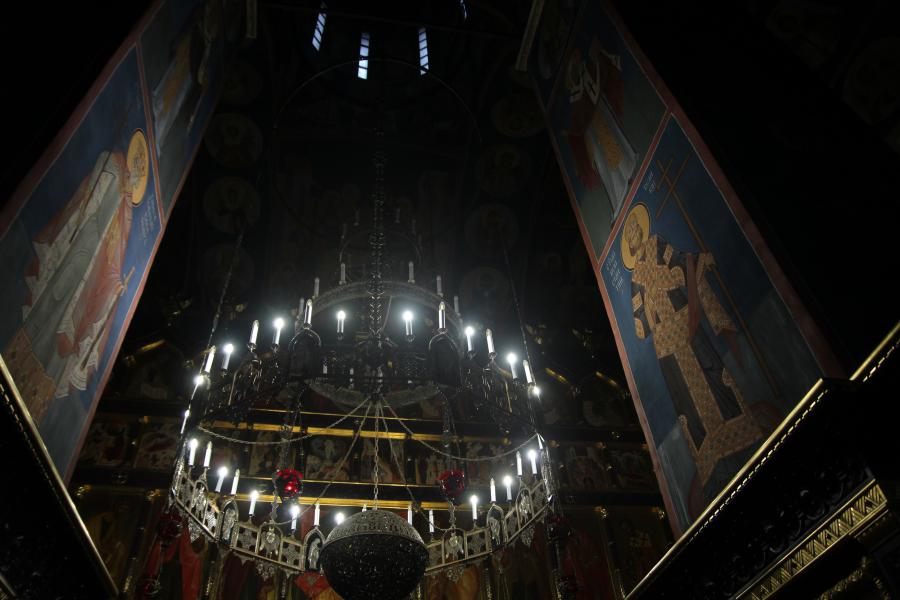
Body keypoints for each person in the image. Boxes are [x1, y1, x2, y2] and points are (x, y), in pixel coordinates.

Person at [3, 130, 148, 424]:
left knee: (66, 329)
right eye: (137, 168)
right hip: (80, 251)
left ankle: (36, 390)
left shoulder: (127, 213)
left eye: (140, 173)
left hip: (90, 280)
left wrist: (115, 285)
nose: (135, 177)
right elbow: (89, 202)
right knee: (52, 303)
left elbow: (114, 259)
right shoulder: (113, 166)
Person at [622, 204, 762, 489]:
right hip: (665, 344)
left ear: (641, 231)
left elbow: (682, 265)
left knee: (712, 375)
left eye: (635, 229)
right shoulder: (634, 277)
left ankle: (743, 440)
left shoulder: (656, 244)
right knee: (686, 400)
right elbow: (640, 327)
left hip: (686, 324)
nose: (634, 235)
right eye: (631, 234)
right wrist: (649, 308)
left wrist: (675, 273)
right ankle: (713, 461)